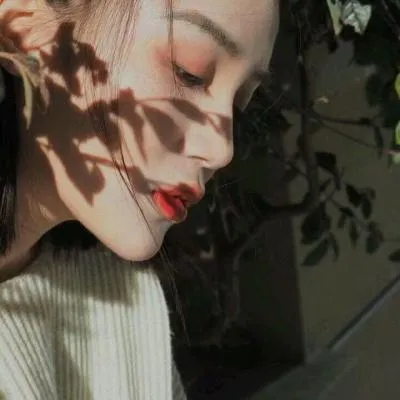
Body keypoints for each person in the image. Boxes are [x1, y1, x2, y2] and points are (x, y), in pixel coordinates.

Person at [0, 0, 279, 398]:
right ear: (22, 30)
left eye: (239, 104)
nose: (222, 151)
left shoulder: (126, 305)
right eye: (189, 73)